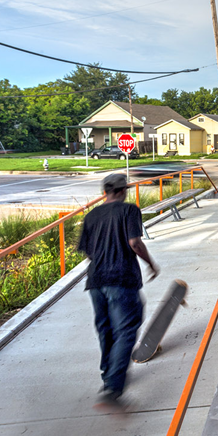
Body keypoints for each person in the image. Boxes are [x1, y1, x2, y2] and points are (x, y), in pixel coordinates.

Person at [78, 173, 159, 411]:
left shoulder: (91, 216)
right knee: (126, 329)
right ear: (123, 190)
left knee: (106, 330)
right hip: (121, 278)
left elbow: (89, 253)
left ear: (105, 192)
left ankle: (107, 378)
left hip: (95, 281)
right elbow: (134, 242)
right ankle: (113, 387)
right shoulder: (129, 211)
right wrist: (151, 264)